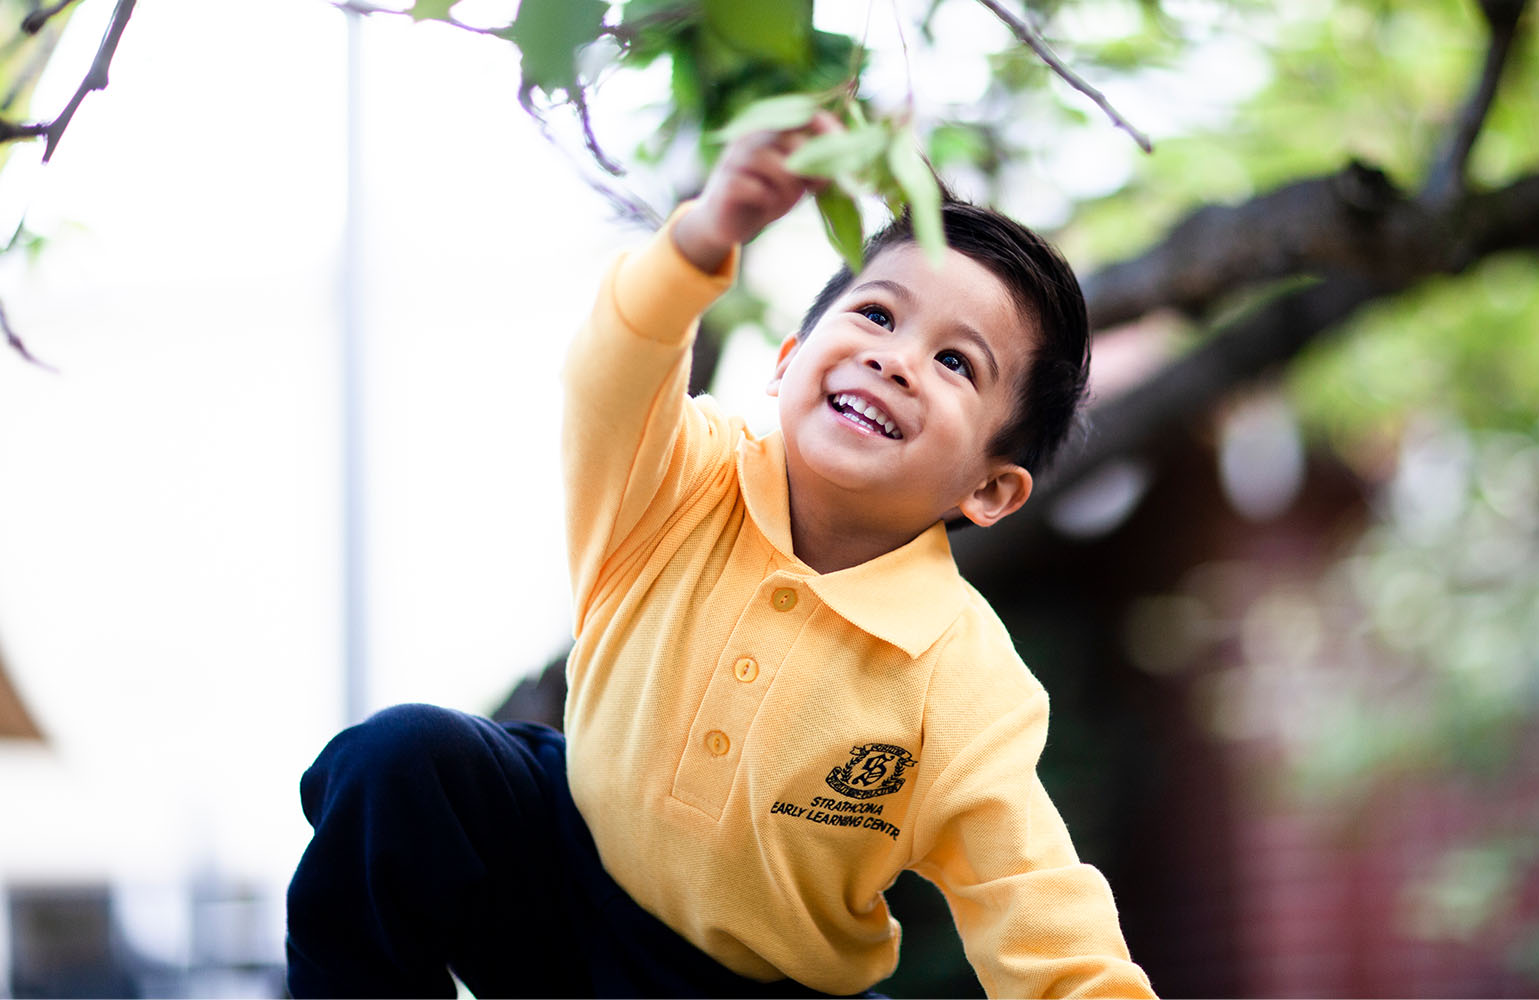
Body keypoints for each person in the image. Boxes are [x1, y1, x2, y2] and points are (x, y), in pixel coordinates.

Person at [286, 114, 1156, 999]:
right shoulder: (677, 475)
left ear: (991, 490)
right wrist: (706, 235)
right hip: (556, 884)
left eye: (956, 363)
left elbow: (1036, 904)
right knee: (402, 759)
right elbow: (614, 368)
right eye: (877, 313)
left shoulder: (965, 679)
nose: (895, 360)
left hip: (757, 985)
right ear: (787, 363)